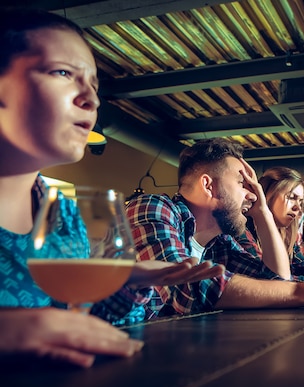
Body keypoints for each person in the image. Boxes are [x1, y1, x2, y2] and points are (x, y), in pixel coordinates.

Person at [0, 8, 223, 367]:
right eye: (62, 73)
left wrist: (122, 283)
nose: (91, 100)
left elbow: (81, 327)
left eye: (94, 85)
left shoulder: (62, 214)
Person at [125, 138, 304, 315]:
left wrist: (263, 211)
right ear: (209, 186)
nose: (253, 195)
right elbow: (185, 290)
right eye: (244, 184)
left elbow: (276, 281)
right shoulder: (153, 208)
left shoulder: (219, 243)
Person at [240, 166, 304, 280]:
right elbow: (273, 282)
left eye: (300, 201)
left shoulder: (286, 237)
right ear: (267, 196)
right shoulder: (243, 231)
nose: (298, 208)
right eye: (291, 197)